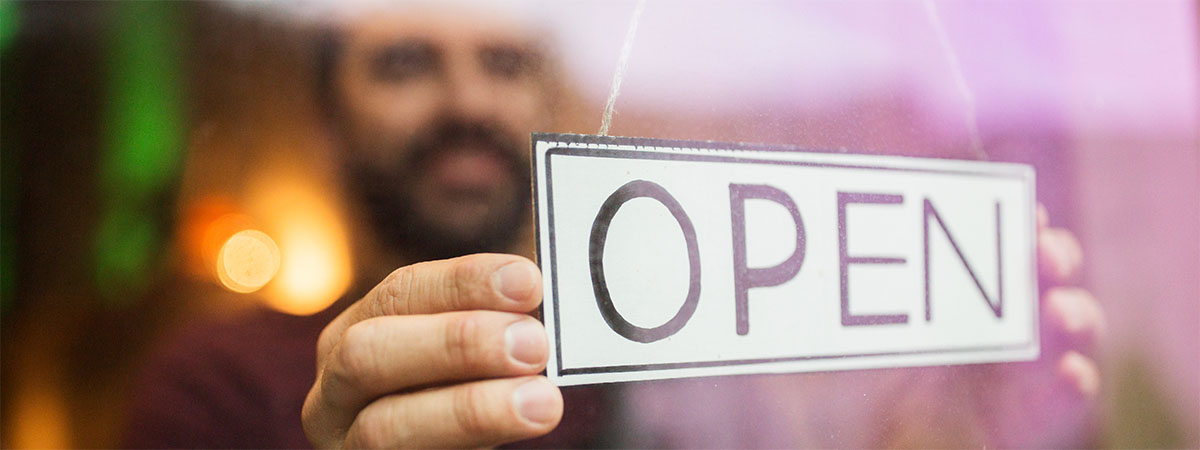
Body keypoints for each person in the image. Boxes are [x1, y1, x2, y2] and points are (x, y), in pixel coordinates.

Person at [125, 3, 1105, 448]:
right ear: (326, 125)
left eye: (505, 64)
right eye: (407, 63)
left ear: (547, 98)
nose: (467, 100)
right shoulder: (219, 385)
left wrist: (961, 430)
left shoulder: (673, 377)